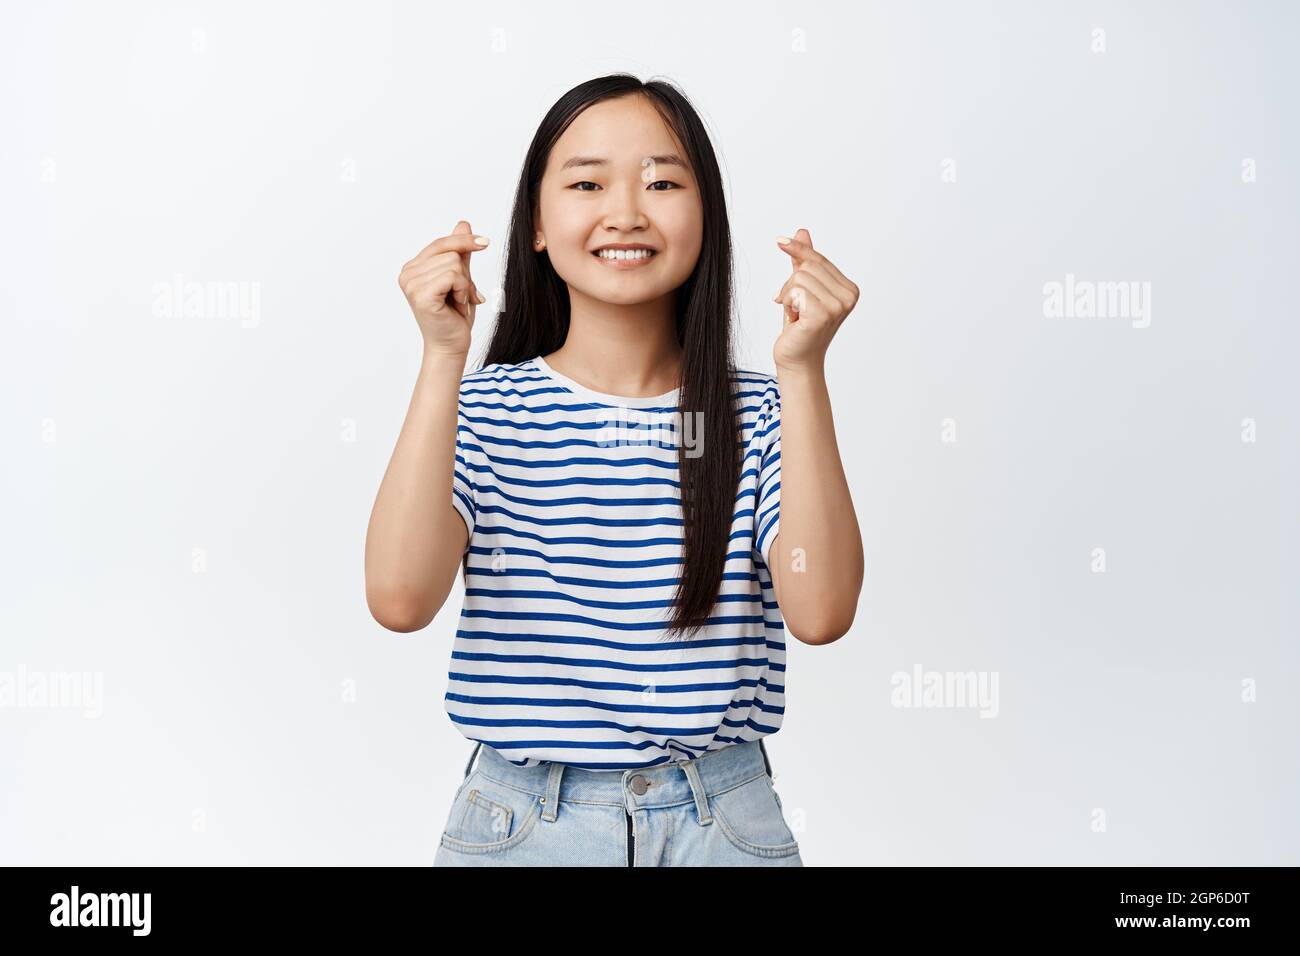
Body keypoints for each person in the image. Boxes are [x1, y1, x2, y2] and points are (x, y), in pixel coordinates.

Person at [365, 73, 863, 866]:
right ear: (536, 223)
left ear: (707, 219)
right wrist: (441, 358)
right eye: (588, 183)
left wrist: (804, 373)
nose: (626, 212)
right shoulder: (482, 409)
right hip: (523, 825)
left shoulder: (756, 413)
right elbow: (397, 599)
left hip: (722, 824)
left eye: (663, 182)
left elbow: (822, 611)